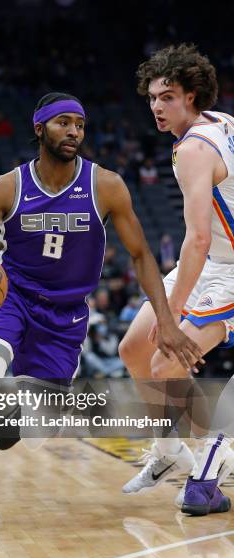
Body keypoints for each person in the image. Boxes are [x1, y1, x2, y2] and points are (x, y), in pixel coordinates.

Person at [0, 91, 202, 528]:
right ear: (39, 129)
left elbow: (143, 256)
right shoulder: (6, 187)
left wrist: (166, 320)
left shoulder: (104, 185)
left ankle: (12, 410)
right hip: (10, 301)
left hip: (65, 317)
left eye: (80, 125)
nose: (73, 131)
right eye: (63, 123)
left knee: (36, 436)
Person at [120, 44, 234, 515]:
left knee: (166, 363)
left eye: (166, 96)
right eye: (151, 97)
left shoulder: (192, 148)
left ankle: (215, 458)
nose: (156, 106)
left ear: (191, 95)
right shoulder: (222, 120)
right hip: (213, 262)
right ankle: (169, 454)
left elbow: (199, 239)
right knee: (133, 349)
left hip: (227, 269)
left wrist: (171, 317)